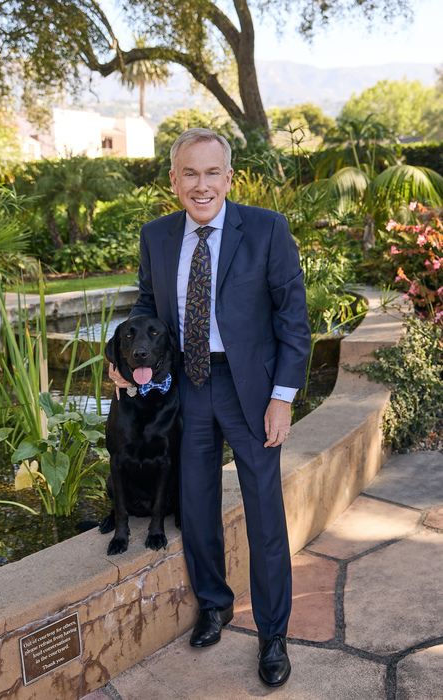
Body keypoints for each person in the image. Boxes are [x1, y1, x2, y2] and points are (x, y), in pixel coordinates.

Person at [109, 128, 310, 688]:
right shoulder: (157, 235)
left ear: (228, 177)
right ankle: (214, 606)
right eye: (189, 174)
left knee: (264, 514)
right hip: (187, 389)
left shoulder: (266, 230)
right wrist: (124, 355)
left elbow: (293, 321)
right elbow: (148, 304)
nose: (202, 185)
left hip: (250, 391)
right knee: (195, 506)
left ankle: (273, 633)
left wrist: (283, 399)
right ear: (173, 181)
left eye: (211, 173)